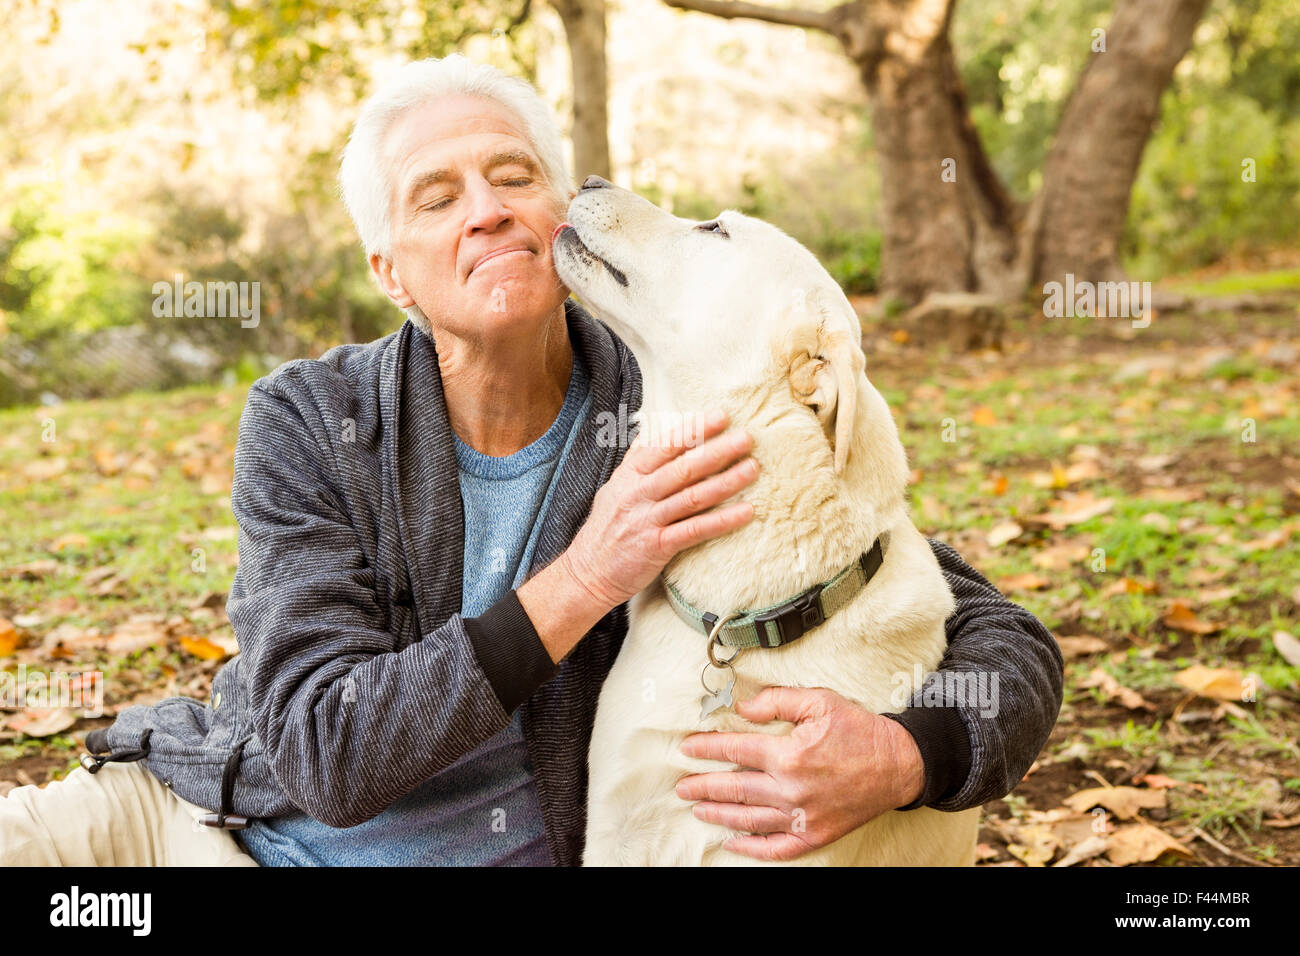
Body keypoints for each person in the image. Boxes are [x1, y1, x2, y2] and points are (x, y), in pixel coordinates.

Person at [0, 54, 1063, 867]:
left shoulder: (679, 403)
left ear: (559, 215)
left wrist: (907, 754)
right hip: (198, 828)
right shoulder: (310, 419)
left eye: (513, 175)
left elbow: (984, 623)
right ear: (391, 272)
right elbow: (327, 753)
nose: (488, 209)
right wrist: (590, 572)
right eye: (437, 195)